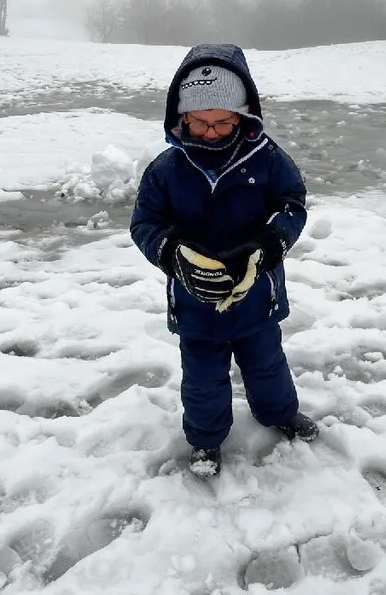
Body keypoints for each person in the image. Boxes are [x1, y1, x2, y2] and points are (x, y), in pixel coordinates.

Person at [130, 43, 318, 476]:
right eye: (200, 123)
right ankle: (205, 441)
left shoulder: (268, 159)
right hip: (196, 304)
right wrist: (174, 254)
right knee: (202, 380)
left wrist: (270, 244)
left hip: (257, 299)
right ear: (181, 118)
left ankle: (280, 415)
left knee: (267, 364)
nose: (211, 132)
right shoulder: (165, 169)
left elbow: (292, 205)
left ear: (243, 114)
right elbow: (145, 224)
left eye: (222, 122)